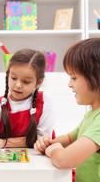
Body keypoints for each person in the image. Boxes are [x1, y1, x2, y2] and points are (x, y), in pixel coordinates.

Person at [34, 38, 100, 182]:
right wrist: (48, 144)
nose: (69, 84)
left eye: (74, 78)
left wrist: (54, 150)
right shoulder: (92, 115)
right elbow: (70, 138)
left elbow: (65, 160)